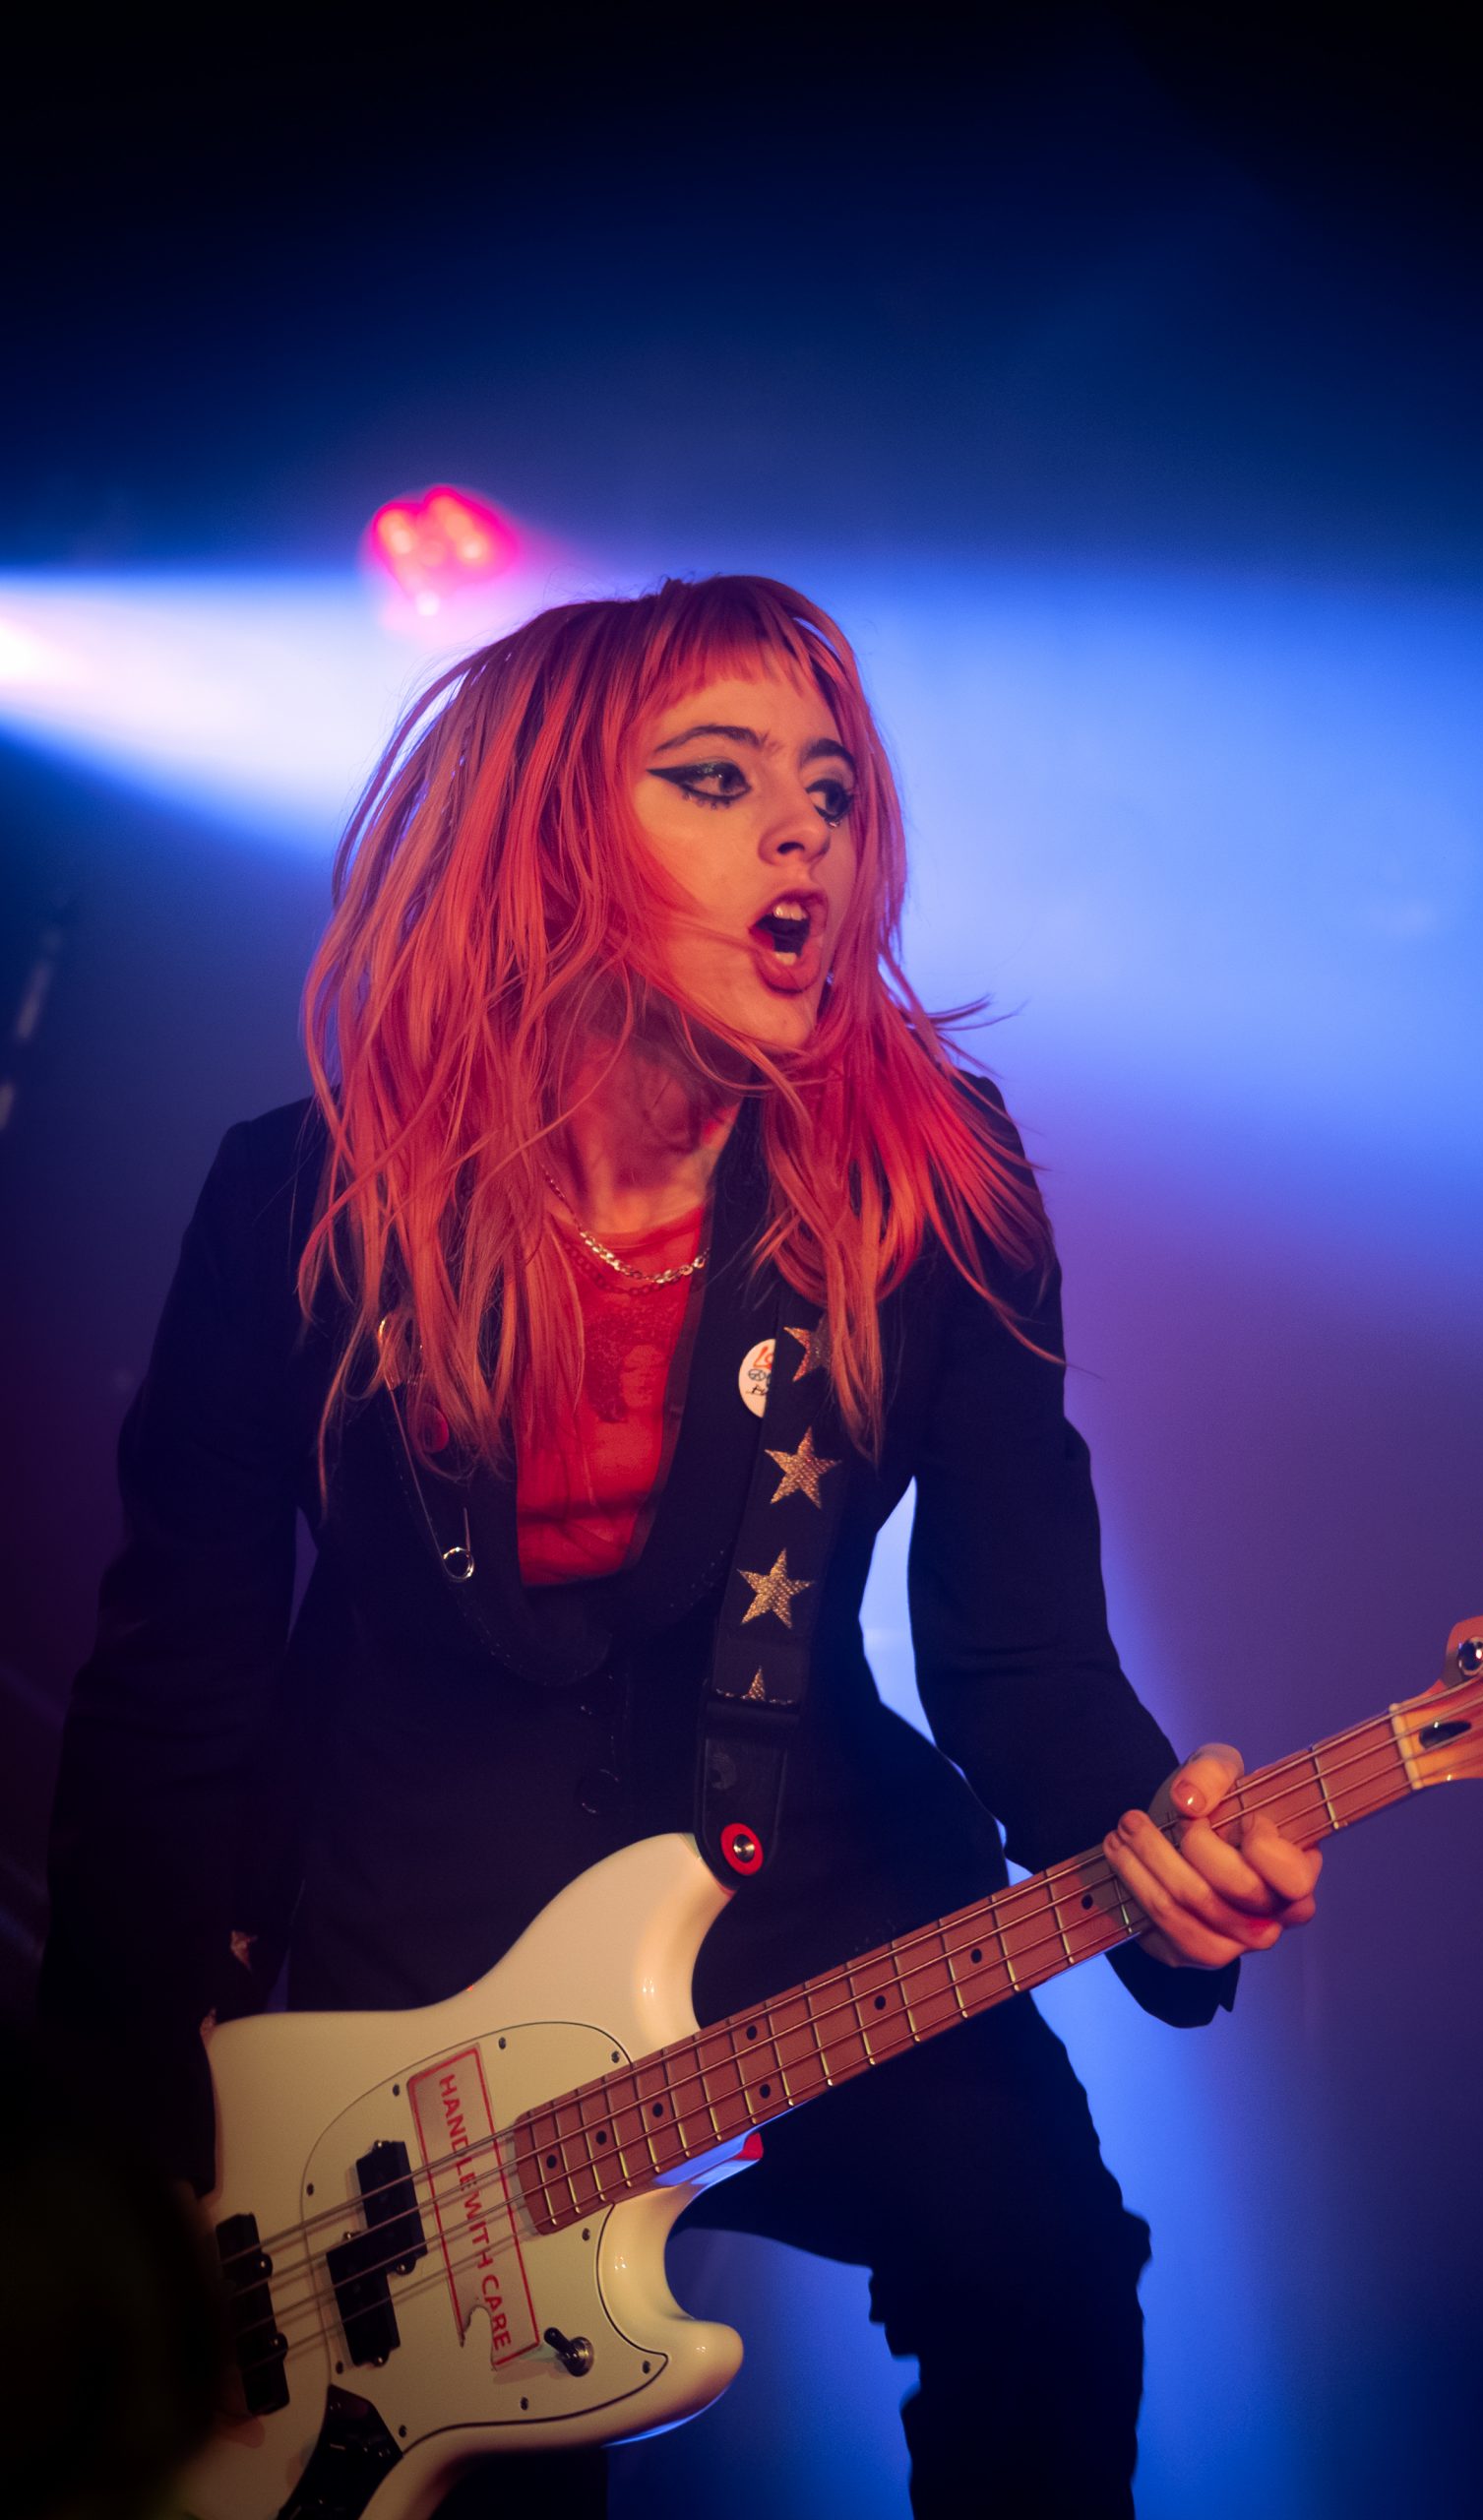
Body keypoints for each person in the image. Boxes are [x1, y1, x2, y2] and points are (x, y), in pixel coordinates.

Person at [37, 575, 1322, 2516]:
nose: (804, 828)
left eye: (831, 787)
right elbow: (175, 1692)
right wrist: (124, 2147)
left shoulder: (931, 1183)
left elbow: (1021, 1660)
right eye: (716, 778)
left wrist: (1159, 1845)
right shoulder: (304, 1198)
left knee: (1046, 2275)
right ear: (548, 836)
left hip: (816, 1911)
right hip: (403, 1976)